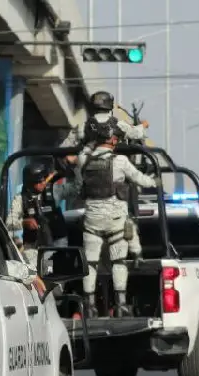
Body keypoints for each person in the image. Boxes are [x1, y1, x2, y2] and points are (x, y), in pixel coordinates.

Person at [76, 117, 158, 318]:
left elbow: (80, 182)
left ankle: (89, 305)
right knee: (119, 262)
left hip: (91, 222)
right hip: (115, 223)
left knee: (91, 264)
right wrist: (155, 180)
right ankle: (121, 304)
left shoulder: (83, 160)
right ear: (113, 140)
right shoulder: (120, 162)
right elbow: (142, 180)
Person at [6, 160, 74, 269]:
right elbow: (9, 222)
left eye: (44, 179)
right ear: (30, 183)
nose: (43, 183)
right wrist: (23, 222)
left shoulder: (54, 191)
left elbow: (76, 188)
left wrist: (76, 166)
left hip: (55, 242)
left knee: (52, 273)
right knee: (32, 274)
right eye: (39, 181)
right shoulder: (20, 199)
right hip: (33, 246)